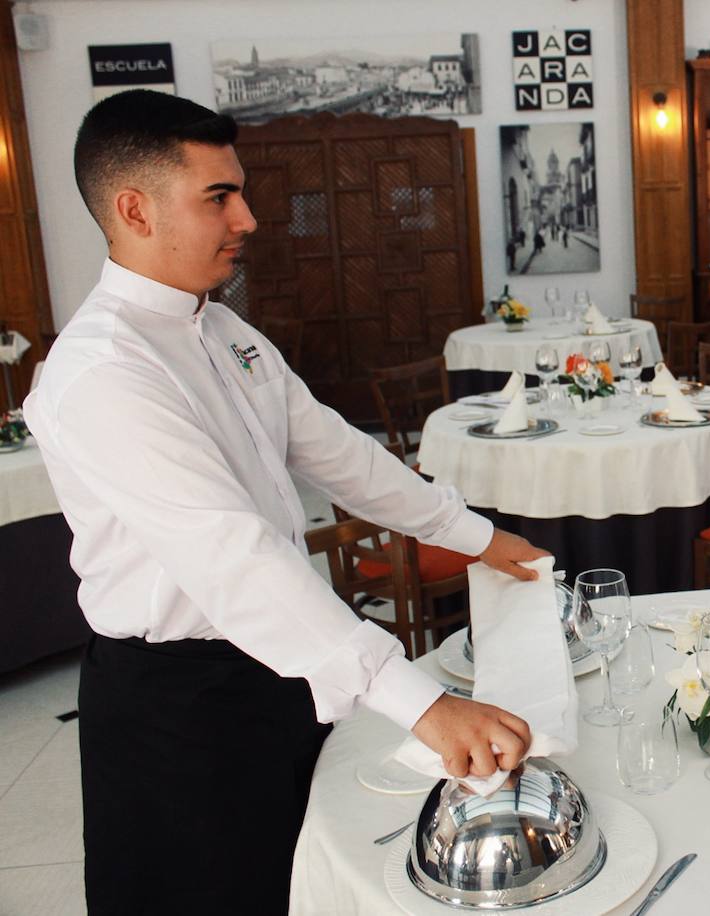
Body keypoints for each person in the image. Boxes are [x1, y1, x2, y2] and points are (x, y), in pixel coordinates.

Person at [24, 90, 548, 915]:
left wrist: (476, 536)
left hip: (279, 663)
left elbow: (339, 454)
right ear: (134, 209)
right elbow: (235, 556)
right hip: (177, 705)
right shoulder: (102, 373)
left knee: (293, 878)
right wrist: (425, 705)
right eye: (218, 197)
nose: (250, 219)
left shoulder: (226, 332)